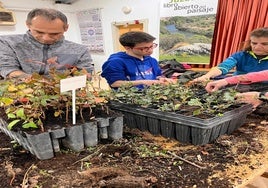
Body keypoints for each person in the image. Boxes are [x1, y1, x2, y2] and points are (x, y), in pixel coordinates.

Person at [0, 8, 93, 79]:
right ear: (28, 25)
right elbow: (8, 70)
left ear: (66, 28)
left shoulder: (80, 50)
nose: (46, 38)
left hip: (64, 97)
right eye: (39, 32)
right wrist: (43, 84)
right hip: (21, 97)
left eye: (54, 34)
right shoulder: (8, 43)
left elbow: (86, 75)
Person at [101, 31, 175, 89]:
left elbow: (157, 75)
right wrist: (142, 82)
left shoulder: (151, 60)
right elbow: (115, 83)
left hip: (150, 96)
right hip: (129, 100)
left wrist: (162, 79)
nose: (150, 50)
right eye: (144, 48)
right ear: (128, 48)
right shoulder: (115, 62)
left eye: (152, 46)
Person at [192, 27, 268, 83]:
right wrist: (207, 76)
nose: (257, 47)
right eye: (254, 43)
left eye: (264, 44)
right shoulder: (241, 55)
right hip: (238, 85)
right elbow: (223, 67)